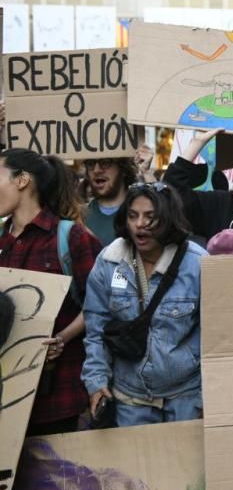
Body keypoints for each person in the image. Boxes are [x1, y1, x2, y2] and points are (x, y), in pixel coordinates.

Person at [82, 183, 207, 426]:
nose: (140, 224)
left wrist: (209, 396)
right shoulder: (108, 262)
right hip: (130, 400)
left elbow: (216, 337)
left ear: (168, 219)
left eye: (151, 217)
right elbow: (95, 329)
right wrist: (96, 381)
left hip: (186, 398)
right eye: (133, 216)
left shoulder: (198, 263)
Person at [0, 149, 103, 435]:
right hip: (7, 395)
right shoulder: (1, 239)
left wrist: (62, 337)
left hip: (57, 397)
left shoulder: (70, 237)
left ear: (22, 181)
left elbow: (98, 306)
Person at [82, 157, 139, 246]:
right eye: (90, 163)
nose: (96, 170)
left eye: (105, 162)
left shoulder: (141, 214)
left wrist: (148, 174)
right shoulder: (80, 217)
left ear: (123, 169)